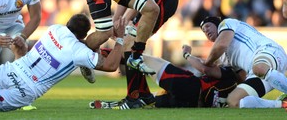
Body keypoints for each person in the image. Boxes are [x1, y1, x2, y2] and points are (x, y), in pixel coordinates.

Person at [110, 0, 179, 108]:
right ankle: (143, 95)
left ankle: (134, 97)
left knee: (129, 42)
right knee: (130, 44)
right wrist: (116, 21)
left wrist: (124, 20)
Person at [91, 46, 241, 109]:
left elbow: (204, 69)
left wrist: (187, 54)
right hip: (190, 103)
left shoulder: (230, 75)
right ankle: (114, 105)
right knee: (146, 102)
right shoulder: (238, 92)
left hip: (191, 87)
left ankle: (96, 56)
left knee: (139, 59)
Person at [199, 16, 287, 108]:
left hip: (269, 51)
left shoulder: (226, 23)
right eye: (204, 31)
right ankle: (282, 105)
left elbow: (221, 45)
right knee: (233, 101)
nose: (206, 31)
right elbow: (241, 77)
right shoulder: (223, 57)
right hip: (259, 74)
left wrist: (207, 62)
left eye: (208, 26)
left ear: (216, 24)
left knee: (259, 68)